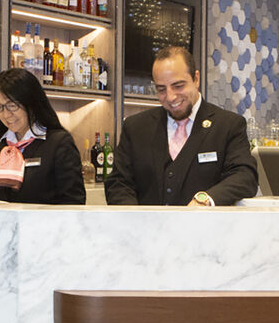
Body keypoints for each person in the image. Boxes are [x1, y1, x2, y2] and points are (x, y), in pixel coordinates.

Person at [105, 46, 258, 206]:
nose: (170, 97)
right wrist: (136, 217)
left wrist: (205, 200)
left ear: (196, 79)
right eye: (161, 89)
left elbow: (245, 177)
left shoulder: (228, 125)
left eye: (178, 86)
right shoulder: (135, 127)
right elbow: (118, 183)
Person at [0, 68, 85, 204]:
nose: (6, 114)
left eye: (12, 106)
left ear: (32, 103)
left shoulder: (59, 143)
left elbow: (73, 202)